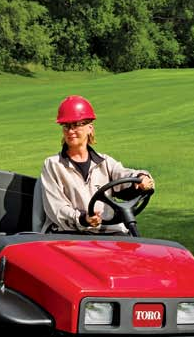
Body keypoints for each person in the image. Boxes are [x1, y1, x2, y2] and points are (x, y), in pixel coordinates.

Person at [39, 95, 155, 233]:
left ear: (90, 128)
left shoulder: (104, 162)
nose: (70, 131)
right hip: (71, 234)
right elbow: (57, 207)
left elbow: (125, 174)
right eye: (66, 126)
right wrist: (83, 218)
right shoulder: (53, 165)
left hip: (110, 232)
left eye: (76, 125)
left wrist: (141, 178)